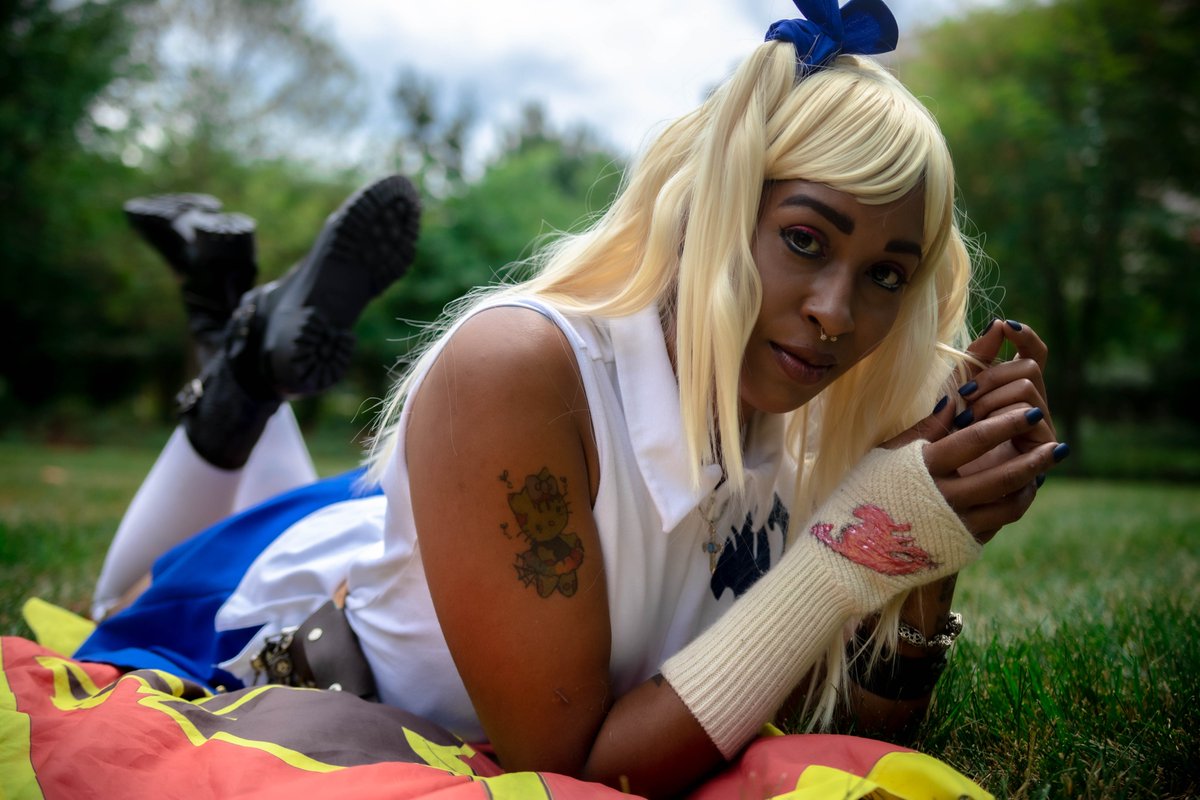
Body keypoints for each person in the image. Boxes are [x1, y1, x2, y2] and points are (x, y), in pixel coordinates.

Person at [78, 2, 1068, 797]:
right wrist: (854, 548)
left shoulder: (807, 418)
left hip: (428, 538)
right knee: (110, 609)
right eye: (805, 239)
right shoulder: (514, 367)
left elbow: (850, 730)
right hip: (271, 628)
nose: (837, 313)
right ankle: (243, 370)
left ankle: (241, 343)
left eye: (888, 274)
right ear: (713, 209)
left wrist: (927, 540)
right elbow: (574, 769)